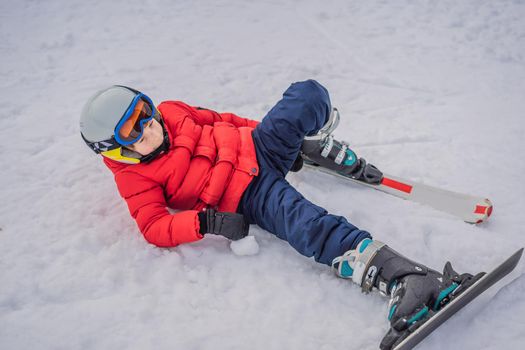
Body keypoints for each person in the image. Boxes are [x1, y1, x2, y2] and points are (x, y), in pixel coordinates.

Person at [80, 80, 482, 349]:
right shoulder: (135, 178)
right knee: (307, 224)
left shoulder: (172, 111)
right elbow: (153, 226)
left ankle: (312, 145)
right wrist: (207, 223)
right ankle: (406, 277)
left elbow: (224, 121)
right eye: (135, 131)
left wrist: (285, 139)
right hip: (250, 194)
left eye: (145, 112)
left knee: (307, 94)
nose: (151, 127)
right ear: (115, 149)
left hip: (259, 147)